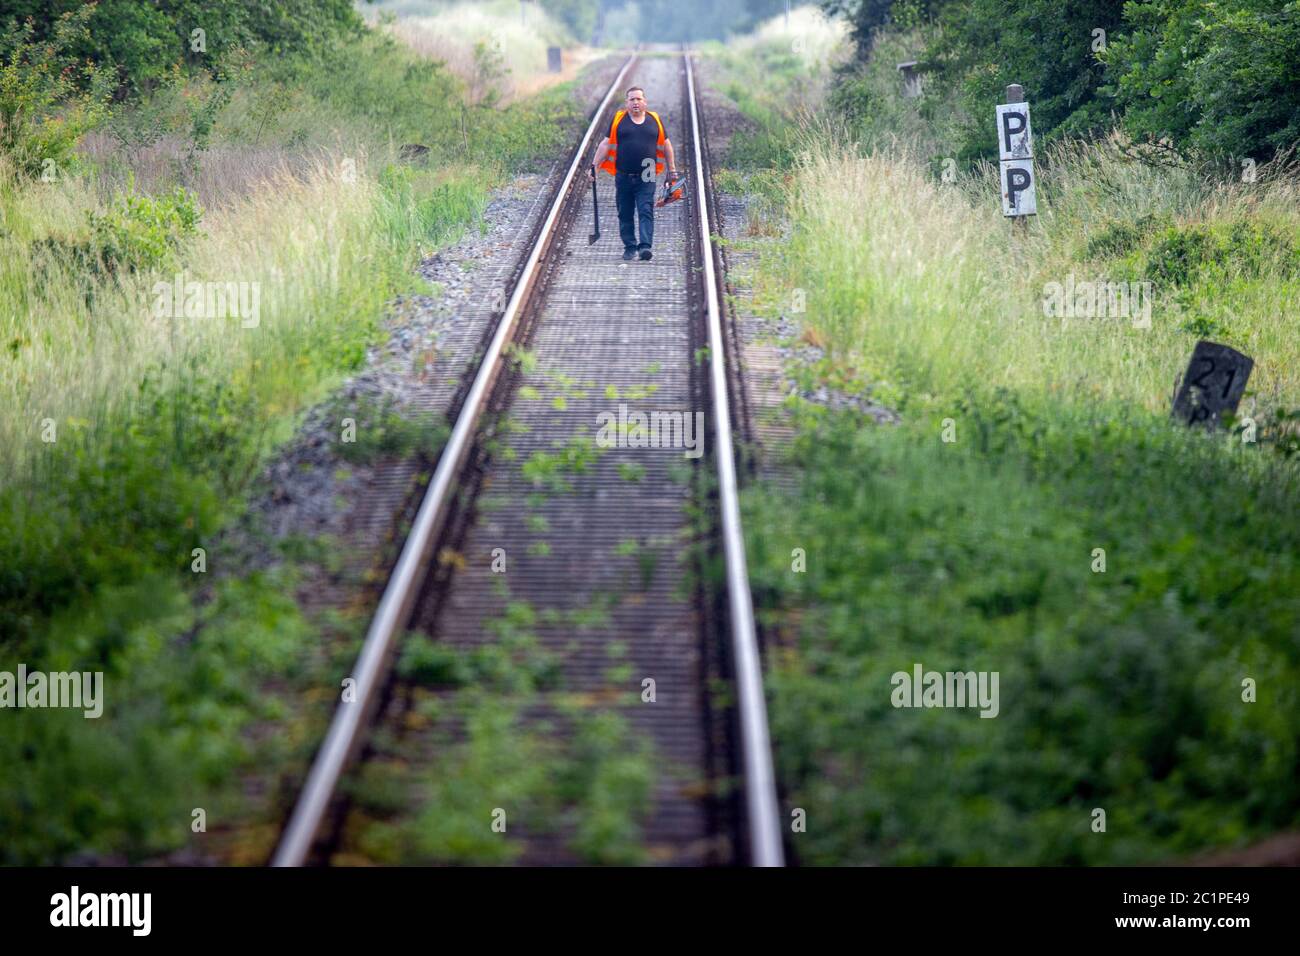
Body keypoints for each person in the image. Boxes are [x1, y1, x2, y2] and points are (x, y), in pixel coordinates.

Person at [589, 85, 678, 261]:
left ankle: (645, 246)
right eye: (632, 99)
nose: (635, 102)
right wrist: (594, 166)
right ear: (626, 103)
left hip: (647, 171)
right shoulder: (618, 120)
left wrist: (672, 169)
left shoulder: (655, 120)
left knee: (646, 209)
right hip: (623, 173)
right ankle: (630, 246)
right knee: (625, 211)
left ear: (645, 102)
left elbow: (666, 145)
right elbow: (605, 144)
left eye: (639, 99)